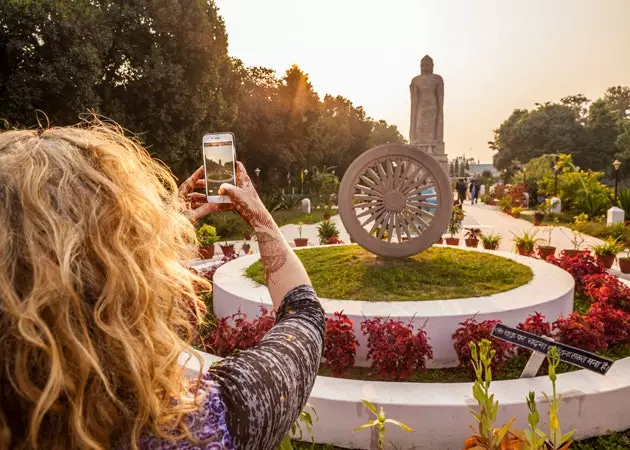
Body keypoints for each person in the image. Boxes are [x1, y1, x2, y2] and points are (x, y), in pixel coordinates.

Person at [0, 122, 324, 450]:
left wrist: (165, 226)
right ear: (136, 282)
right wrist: (260, 218)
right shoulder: (201, 427)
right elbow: (305, 317)